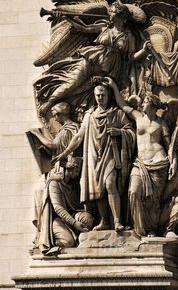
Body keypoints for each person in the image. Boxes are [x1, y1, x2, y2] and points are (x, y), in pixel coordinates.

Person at [34, 1, 151, 115]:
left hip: (106, 70)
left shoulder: (129, 36)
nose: (109, 14)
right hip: (91, 60)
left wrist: (143, 51)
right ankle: (48, 103)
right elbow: (84, 28)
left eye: (112, 12)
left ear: (120, 15)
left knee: (80, 90)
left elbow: (131, 57)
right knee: (72, 83)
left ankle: (59, 102)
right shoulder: (104, 28)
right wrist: (66, 18)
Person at [53, 82, 136, 232]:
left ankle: (117, 220)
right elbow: (78, 137)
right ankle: (104, 220)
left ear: (109, 95)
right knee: (97, 190)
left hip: (110, 154)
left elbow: (131, 132)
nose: (100, 98)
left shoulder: (117, 113)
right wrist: (64, 153)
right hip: (93, 155)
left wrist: (119, 132)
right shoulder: (89, 116)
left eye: (103, 95)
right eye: (97, 95)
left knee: (110, 184)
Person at [106, 77, 177, 237]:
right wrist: (114, 85)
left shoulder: (162, 123)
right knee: (133, 191)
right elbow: (123, 105)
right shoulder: (138, 118)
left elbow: (169, 144)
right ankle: (140, 229)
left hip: (159, 163)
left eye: (145, 102)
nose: (142, 104)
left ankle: (151, 228)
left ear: (152, 105)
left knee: (152, 200)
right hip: (140, 163)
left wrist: (174, 161)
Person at [30, 102, 88, 250]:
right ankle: (43, 231)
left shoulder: (66, 130)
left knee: (39, 190)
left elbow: (53, 145)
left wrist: (37, 133)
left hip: (63, 166)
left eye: (56, 114)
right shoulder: (74, 128)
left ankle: (42, 230)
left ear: (63, 114)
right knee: (41, 191)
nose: (55, 118)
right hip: (65, 167)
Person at [37, 157, 93, 255]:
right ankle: (50, 243)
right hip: (56, 220)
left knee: (87, 219)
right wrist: (75, 223)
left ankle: (79, 237)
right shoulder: (55, 182)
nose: (78, 173)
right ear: (70, 168)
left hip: (71, 215)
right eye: (77, 170)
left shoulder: (74, 184)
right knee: (68, 242)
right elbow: (58, 208)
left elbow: (77, 206)